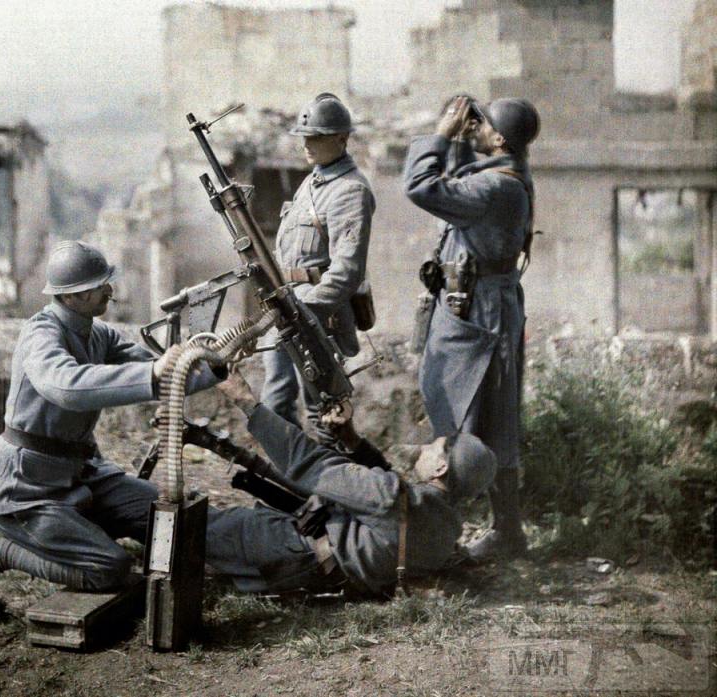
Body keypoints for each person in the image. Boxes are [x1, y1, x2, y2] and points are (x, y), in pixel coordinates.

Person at [0, 240, 222, 626]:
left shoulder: (98, 334)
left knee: (170, 516)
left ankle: (84, 534)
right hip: (27, 492)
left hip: (81, 475)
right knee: (109, 570)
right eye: (100, 286)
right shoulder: (40, 335)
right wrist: (153, 372)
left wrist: (215, 365)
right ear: (74, 296)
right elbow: (65, 385)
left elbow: (165, 372)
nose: (110, 291)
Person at [206, 369, 497, 596]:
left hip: (284, 551)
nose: (425, 447)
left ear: (440, 467)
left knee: (188, 524)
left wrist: (246, 401)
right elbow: (395, 499)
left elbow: (310, 462)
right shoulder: (445, 532)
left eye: (435, 446)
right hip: (315, 576)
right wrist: (350, 438)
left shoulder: (389, 497)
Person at [403, 95, 541, 562]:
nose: (475, 128)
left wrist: (441, 134)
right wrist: (463, 142)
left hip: (479, 315)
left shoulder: (498, 188)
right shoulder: (508, 173)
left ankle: (452, 534)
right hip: (488, 305)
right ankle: (507, 532)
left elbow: (422, 187)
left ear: (499, 138)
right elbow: (462, 183)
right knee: (491, 418)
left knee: (470, 419)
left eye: (481, 126)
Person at [261, 92, 375, 447]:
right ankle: (294, 478)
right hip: (289, 308)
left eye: (318, 137)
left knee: (324, 409)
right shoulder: (313, 181)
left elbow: (347, 271)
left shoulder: (350, 191)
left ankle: (337, 488)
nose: (307, 144)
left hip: (320, 316)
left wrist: (306, 310)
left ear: (342, 139)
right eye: (304, 137)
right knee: (276, 401)